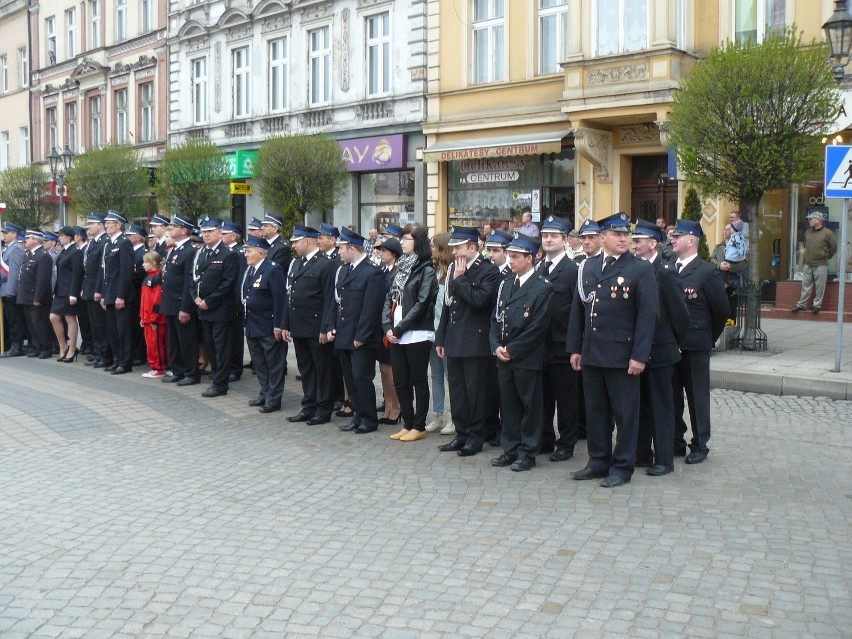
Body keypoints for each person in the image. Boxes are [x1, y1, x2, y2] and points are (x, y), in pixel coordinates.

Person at [567, 212, 659, 488]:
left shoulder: (639, 269)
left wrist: (640, 355)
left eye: (626, 235)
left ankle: (621, 467)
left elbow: (648, 315)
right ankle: (598, 461)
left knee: (625, 414)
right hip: (593, 353)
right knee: (596, 412)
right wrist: (575, 348)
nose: (623, 239)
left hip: (622, 356)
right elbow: (578, 311)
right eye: (617, 234)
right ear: (602, 237)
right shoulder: (589, 266)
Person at [489, 233, 553, 471]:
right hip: (503, 357)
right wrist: (496, 346)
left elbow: (538, 327)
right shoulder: (506, 283)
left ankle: (528, 451)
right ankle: (511, 448)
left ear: (530, 258)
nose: (511, 261)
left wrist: (512, 349)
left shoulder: (542, 287)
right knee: (509, 406)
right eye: (509, 256)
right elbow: (495, 319)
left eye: (515, 257)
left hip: (526, 358)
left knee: (530, 407)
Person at [435, 226, 500, 457]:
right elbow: (447, 305)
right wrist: (441, 338)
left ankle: (476, 437)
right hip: (454, 340)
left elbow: (479, 300)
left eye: (459, 248)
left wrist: (461, 280)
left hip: (476, 342)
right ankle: (461, 433)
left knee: (476, 394)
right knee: (458, 392)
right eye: (453, 248)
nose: (454, 253)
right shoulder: (454, 268)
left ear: (474, 247)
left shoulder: (488, 271)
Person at [631, 219, 690, 477]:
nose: (634, 244)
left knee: (661, 405)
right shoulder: (634, 269)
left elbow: (680, 313)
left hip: (661, 348)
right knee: (640, 404)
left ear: (653, 243)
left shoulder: (664, 271)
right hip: (638, 349)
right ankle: (641, 453)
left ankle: (664, 457)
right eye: (633, 240)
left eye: (638, 241)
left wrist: (674, 342)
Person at [670, 218, 729, 465]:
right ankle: (675, 440)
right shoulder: (670, 268)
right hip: (671, 346)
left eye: (677, 236)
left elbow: (721, 311)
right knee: (672, 396)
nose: (672, 239)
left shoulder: (706, 272)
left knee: (697, 397)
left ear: (691, 241)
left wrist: (707, 339)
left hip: (695, 346)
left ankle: (700, 443)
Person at [325, 227, 386, 435]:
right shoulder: (343, 270)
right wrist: (331, 326)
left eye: (341, 248)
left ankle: (369, 419)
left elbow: (371, 308)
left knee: (362, 378)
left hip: (361, 338)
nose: (339, 252)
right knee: (350, 379)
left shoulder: (372, 272)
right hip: (344, 334)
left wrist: (362, 336)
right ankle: (358, 415)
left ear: (352, 248)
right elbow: (337, 302)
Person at [384, 224, 438, 442]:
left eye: (407, 238)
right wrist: (387, 327)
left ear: (419, 242)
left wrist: (399, 328)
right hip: (396, 332)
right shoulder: (400, 267)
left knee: (418, 379)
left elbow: (422, 302)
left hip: (416, 332)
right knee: (400, 380)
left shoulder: (426, 269)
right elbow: (390, 298)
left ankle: (419, 424)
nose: (402, 242)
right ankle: (407, 422)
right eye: (402, 238)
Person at [282, 225, 337, 425]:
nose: (294, 246)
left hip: (316, 327)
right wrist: (285, 323)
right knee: (306, 369)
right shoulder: (296, 263)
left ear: (307, 240)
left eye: (296, 241)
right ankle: (308, 406)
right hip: (299, 325)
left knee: (322, 370)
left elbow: (330, 299)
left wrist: (325, 328)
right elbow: (290, 295)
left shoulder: (325, 264)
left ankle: (323, 409)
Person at [537, 216, 580, 462]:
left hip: (563, 344)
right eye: (545, 236)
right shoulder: (540, 268)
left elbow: (577, 310)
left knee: (566, 398)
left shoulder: (573, 270)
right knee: (543, 396)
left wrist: (576, 345)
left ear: (565, 240)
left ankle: (566, 443)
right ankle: (544, 439)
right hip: (541, 344)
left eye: (554, 236)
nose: (549, 240)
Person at [193, 218, 239, 398]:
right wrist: (195, 297)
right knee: (211, 347)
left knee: (221, 348)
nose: (206, 235)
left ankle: (221, 384)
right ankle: (216, 377)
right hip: (203, 309)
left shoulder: (228, 254)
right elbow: (193, 278)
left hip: (220, 310)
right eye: (204, 232)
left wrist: (210, 301)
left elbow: (228, 283)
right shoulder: (201, 253)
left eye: (210, 232)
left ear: (220, 233)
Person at [242, 236, 288, 413]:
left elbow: (279, 300)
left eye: (249, 251)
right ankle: (265, 391)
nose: (246, 254)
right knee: (259, 362)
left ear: (261, 253)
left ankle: (274, 398)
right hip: (253, 324)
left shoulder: (272, 270)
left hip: (268, 325)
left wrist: (278, 325)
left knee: (274, 363)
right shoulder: (251, 270)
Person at [160, 214, 200, 386]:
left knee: (186, 341)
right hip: (170, 302)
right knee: (174, 340)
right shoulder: (175, 249)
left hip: (181, 303)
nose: (171, 229)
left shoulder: (190, 251)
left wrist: (185, 307)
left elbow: (188, 281)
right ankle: (178, 370)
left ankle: (191, 373)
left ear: (184, 230)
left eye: (174, 226)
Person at [96, 210, 136, 375]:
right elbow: (106, 273)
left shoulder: (124, 243)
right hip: (110, 294)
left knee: (122, 331)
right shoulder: (109, 244)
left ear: (119, 225)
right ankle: (117, 359)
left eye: (110, 223)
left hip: (120, 295)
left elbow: (125, 272)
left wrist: (121, 295)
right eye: (106, 223)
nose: (107, 225)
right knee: (112, 330)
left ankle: (125, 362)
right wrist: (104, 294)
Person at [426, 232, 453, 435]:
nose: (431, 249)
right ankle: (438, 415)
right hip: (432, 330)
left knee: (449, 376)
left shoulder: (452, 272)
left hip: (446, 332)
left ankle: (453, 417)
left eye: (434, 246)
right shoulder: (434, 271)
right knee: (435, 375)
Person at [374, 237, 403, 426]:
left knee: (391, 369)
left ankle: (397, 407)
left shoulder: (398, 271)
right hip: (381, 323)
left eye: (384, 251)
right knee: (383, 368)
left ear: (393, 253)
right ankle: (388, 405)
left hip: (392, 325)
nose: (380, 253)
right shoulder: (382, 270)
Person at [17, 229, 55, 359]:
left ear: (36, 240)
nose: (25, 241)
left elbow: (42, 279)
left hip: (36, 297)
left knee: (40, 324)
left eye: (28, 238)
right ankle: (36, 346)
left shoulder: (43, 256)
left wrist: (37, 297)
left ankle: (45, 348)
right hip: (26, 296)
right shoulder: (29, 255)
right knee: (31, 324)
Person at [791, 207, 837, 314]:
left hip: (821, 264)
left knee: (820, 286)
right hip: (808, 263)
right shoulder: (808, 232)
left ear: (818, 220)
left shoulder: (827, 233)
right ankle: (802, 304)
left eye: (811, 219)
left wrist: (826, 256)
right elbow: (806, 246)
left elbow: (834, 248)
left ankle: (817, 305)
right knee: (805, 285)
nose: (810, 221)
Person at [49, 226, 83, 362]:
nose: (59, 238)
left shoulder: (76, 252)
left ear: (69, 237)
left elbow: (77, 274)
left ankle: (73, 348)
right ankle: (63, 346)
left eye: (62, 236)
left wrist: (73, 294)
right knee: (54, 317)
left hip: (69, 291)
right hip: (60, 291)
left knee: (70, 318)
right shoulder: (64, 251)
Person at [81, 214, 110, 368]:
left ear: (100, 225)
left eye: (91, 224)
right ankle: (98, 353)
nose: (89, 227)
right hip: (89, 289)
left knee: (101, 325)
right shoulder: (93, 243)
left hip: (97, 290)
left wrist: (99, 290)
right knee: (94, 325)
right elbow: (88, 269)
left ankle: (105, 355)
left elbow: (101, 270)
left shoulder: (105, 242)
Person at [222, 222, 246, 382]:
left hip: (234, 301)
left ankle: (236, 368)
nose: (222, 236)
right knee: (227, 337)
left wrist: (238, 302)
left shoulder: (238, 252)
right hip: (225, 302)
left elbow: (239, 279)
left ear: (233, 236)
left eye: (224, 234)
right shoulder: (225, 252)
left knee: (235, 337)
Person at [0, 222, 28, 357]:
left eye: (6, 233)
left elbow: (14, 273)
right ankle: (8, 344)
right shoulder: (7, 249)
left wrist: (10, 291)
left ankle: (17, 346)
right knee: (7, 319)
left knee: (14, 319)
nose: (4, 235)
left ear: (14, 234)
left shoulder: (16, 249)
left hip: (10, 290)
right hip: (4, 288)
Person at [139, 251, 168, 378]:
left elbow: (157, 300)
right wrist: (142, 316)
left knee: (156, 344)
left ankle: (159, 367)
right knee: (150, 344)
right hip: (147, 318)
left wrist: (154, 318)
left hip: (154, 319)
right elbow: (144, 300)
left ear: (154, 263)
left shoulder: (157, 278)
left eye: (146, 262)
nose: (144, 265)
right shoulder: (148, 277)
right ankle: (155, 366)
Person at [126, 225, 148, 366]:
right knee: (132, 325)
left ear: (137, 237)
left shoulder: (142, 253)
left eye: (130, 236)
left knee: (137, 326)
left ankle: (139, 354)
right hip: (132, 293)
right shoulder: (132, 252)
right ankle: (134, 352)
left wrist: (126, 276)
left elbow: (140, 273)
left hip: (138, 293)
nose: (127, 238)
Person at [73, 226, 93, 356]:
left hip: (84, 288)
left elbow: (86, 272)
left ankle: (89, 343)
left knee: (87, 319)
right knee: (82, 318)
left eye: (74, 235)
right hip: (80, 289)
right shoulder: (78, 250)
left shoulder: (85, 249)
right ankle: (86, 342)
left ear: (79, 237)